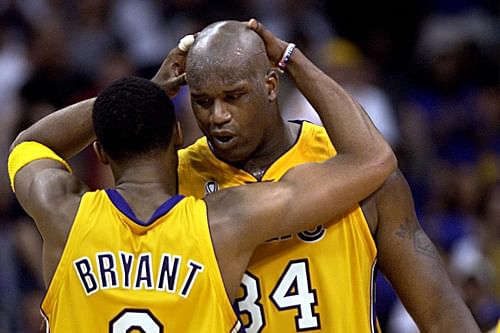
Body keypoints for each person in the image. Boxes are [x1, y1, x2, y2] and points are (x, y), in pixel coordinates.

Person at [6, 23, 397, 332]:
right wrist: (289, 58)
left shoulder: (64, 216)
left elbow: (29, 144)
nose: (217, 115)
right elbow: (372, 158)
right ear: (178, 136)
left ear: (100, 151)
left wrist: (141, 95)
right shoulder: (222, 223)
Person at [177, 19, 481, 332]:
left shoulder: (354, 170)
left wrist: (289, 57)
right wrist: (153, 91)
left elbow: (442, 315)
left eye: (233, 96)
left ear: (270, 85)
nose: (218, 116)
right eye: (202, 101)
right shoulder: (174, 178)